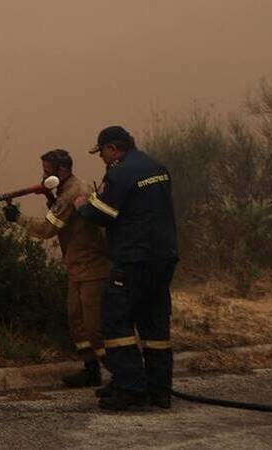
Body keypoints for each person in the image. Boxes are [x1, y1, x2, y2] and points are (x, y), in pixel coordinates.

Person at [75, 125, 179, 411]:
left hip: (134, 259)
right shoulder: (157, 167)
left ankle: (131, 388)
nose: (103, 160)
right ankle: (160, 390)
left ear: (113, 149)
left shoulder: (120, 172)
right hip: (164, 257)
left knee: (116, 320)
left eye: (103, 154)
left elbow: (104, 214)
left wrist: (84, 204)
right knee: (155, 322)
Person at [2, 149, 110, 387]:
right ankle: (91, 370)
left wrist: (17, 217)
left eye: (48, 170)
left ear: (63, 170)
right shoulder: (64, 191)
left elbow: (47, 229)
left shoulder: (73, 192)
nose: (44, 174)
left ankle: (124, 377)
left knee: (94, 328)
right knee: (76, 320)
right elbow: (66, 220)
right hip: (77, 266)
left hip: (92, 267)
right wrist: (49, 197)